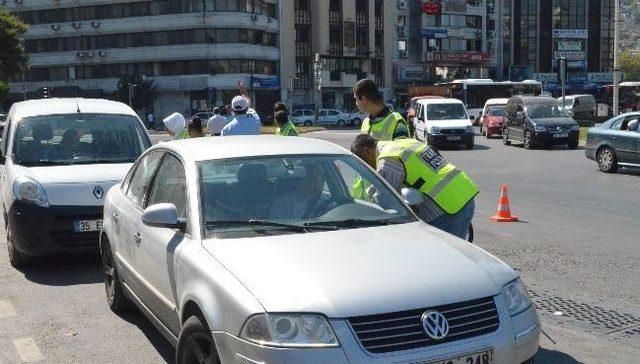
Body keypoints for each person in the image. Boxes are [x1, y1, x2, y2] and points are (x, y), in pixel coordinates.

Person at [351, 134, 478, 239]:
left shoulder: (387, 159)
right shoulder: (404, 143)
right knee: (456, 253)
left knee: (443, 259)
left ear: (367, 151)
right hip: (464, 194)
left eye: (363, 161)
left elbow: (387, 199)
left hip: (446, 209)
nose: (366, 167)